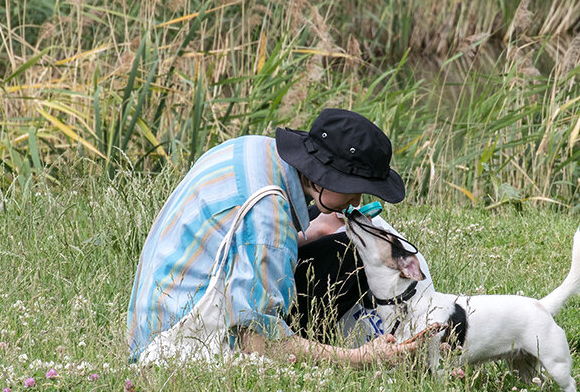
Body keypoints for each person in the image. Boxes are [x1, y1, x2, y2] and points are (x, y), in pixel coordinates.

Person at [126, 108, 423, 367]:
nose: (357, 199)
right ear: (326, 176)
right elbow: (256, 342)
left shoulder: (256, 149)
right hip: (176, 346)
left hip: (151, 321)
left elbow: (237, 242)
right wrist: (359, 358)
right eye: (354, 187)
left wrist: (313, 230)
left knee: (334, 245)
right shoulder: (268, 219)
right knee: (345, 255)